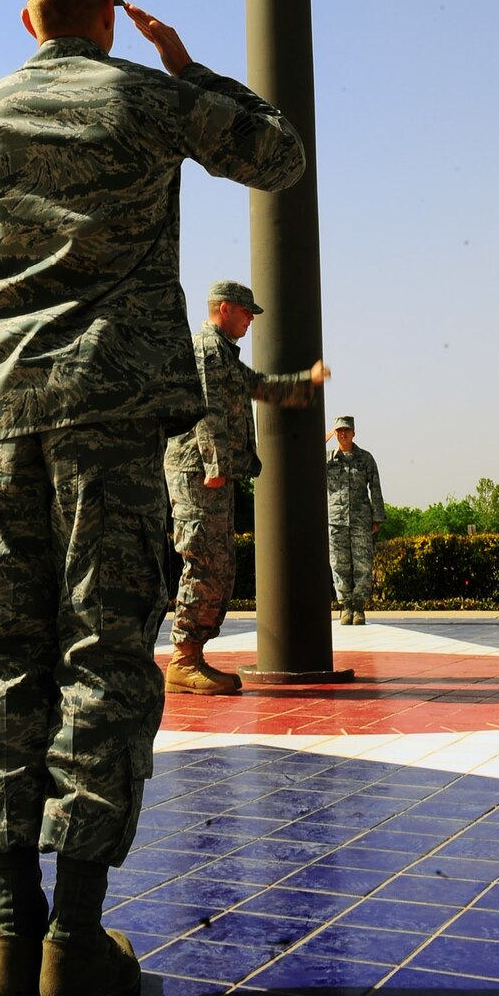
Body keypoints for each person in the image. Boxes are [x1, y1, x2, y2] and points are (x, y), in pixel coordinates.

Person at [0, 0, 305, 996]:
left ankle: (6, 933)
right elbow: (278, 156)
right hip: (113, 424)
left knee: (6, 660)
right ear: (107, 19)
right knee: (101, 662)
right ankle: (74, 945)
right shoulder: (145, 97)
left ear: (30, 19)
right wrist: (191, 66)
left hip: (3, 426)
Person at [164, 280, 328, 695]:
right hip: (199, 473)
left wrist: (305, 382)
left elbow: (260, 386)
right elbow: (206, 409)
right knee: (203, 562)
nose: (251, 320)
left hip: (212, 475)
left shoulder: (223, 353)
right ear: (224, 309)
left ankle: (192, 654)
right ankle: (183, 661)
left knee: (219, 566)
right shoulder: (205, 349)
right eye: (246, 312)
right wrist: (215, 465)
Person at [326, 416, 385, 624]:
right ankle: (346, 606)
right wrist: (324, 439)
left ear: (353, 433)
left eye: (347, 430)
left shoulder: (365, 459)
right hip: (336, 521)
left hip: (361, 520)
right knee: (339, 564)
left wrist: (377, 516)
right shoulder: (327, 458)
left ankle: (359, 608)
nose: (343, 434)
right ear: (334, 433)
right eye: (339, 431)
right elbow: (304, 458)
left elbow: (375, 488)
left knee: (362, 564)